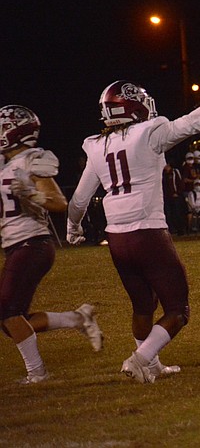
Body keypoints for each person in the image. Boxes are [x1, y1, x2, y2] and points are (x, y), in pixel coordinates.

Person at [66, 57, 200, 383]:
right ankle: (139, 360)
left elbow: (79, 200)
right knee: (178, 310)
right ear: (133, 108)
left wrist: (73, 227)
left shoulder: (97, 146)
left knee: (143, 306)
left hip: (117, 238)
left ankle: (152, 365)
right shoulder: (148, 133)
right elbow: (195, 122)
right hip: (148, 233)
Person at [0, 105, 103, 384]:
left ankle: (38, 373)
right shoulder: (6, 165)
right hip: (17, 245)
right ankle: (78, 319)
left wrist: (32, 194)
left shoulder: (32, 159)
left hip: (32, 243)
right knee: (12, 322)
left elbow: (59, 202)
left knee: (8, 313)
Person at [162, 161, 187, 235]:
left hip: (176, 196)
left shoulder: (175, 172)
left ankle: (180, 229)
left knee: (177, 213)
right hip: (167, 197)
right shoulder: (163, 174)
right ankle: (172, 229)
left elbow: (180, 182)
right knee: (168, 214)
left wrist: (177, 193)